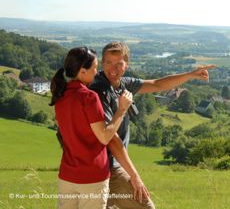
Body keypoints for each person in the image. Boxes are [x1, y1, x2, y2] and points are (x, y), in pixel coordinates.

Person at [89, 42, 215, 209]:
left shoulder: (123, 84)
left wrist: (191, 75)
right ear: (101, 63)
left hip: (108, 167)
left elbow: (157, 84)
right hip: (108, 168)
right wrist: (135, 176)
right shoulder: (99, 91)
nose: (113, 68)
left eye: (119, 63)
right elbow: (112, 139)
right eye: (108, 63)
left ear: (127, 64)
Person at [50, 47, 133, 209]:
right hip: (92, 176)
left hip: (67, 175)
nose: (96, 72)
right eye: (94, 68)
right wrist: (122, 110)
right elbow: (104, 137)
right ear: (82, 71)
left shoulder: (60, 94)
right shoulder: (89, 97)